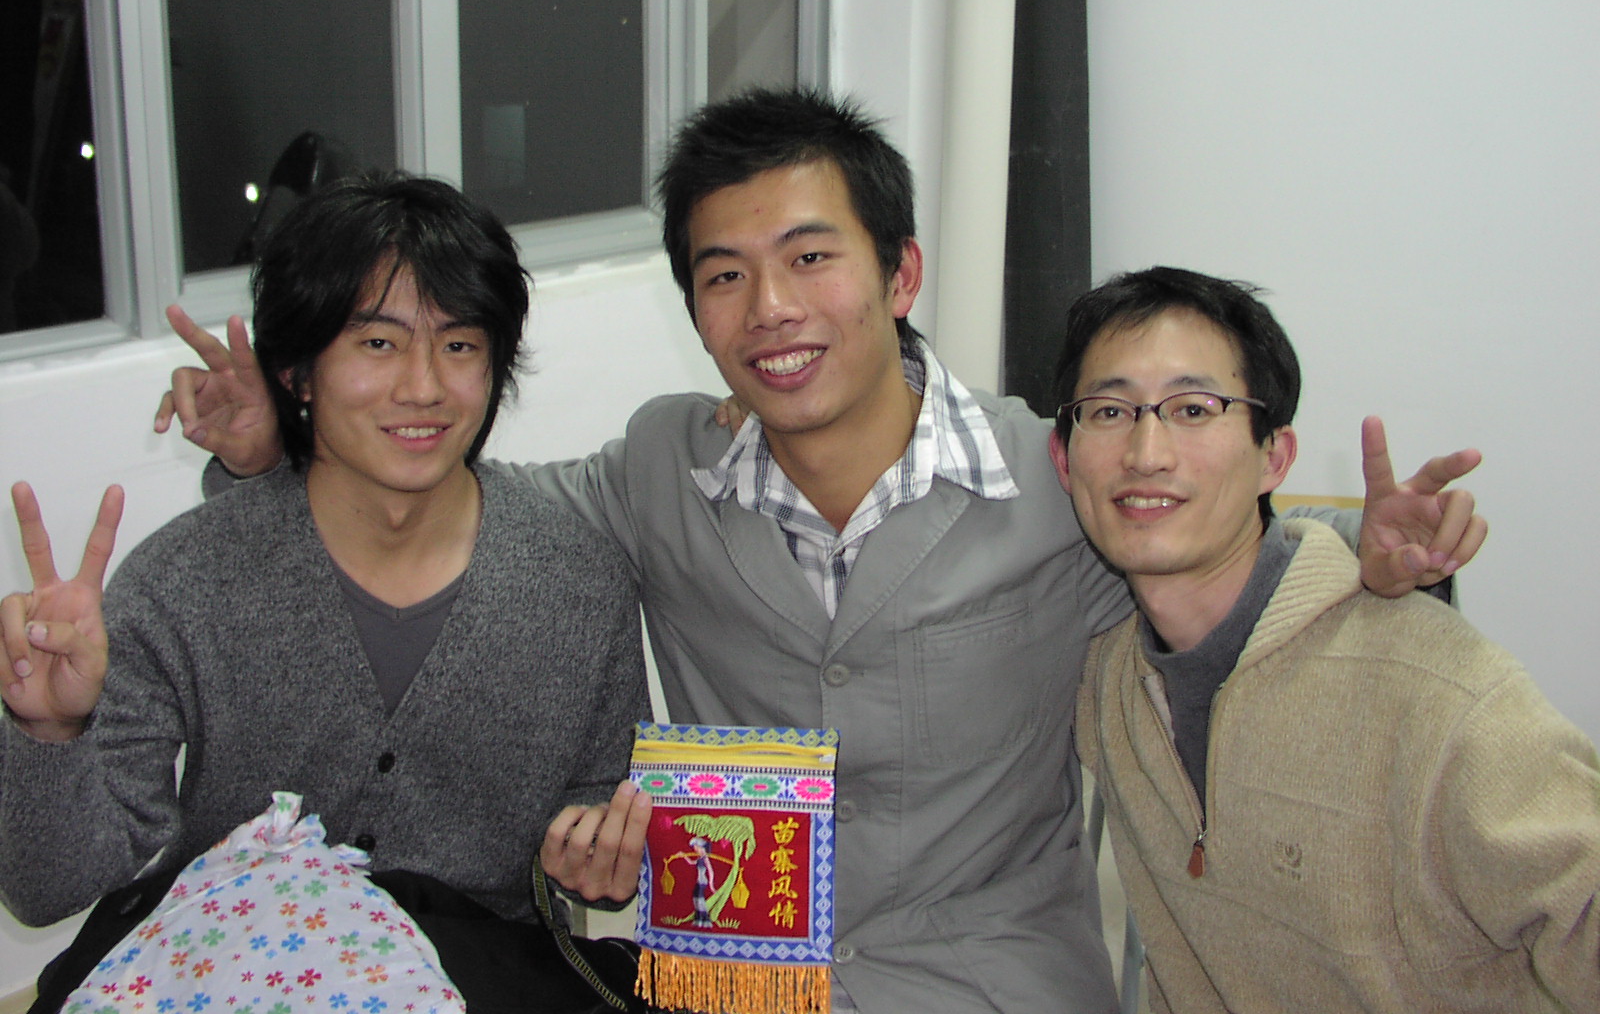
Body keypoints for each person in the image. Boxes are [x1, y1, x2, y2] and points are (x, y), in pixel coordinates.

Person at [156, 90, 1485, 1013]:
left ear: (900, 276)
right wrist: (277, 446)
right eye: (724, 274)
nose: (771, 308)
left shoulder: (1054, 475)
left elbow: (1219, 544)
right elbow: (452, 496)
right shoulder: (660, 469)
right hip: (734, 976)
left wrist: (1373, 560)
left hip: (986, 979)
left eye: (809, 257)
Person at [0, 175, 650, 965]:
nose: (423, 387)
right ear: (297, 374)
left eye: (459, 345)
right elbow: (48, 891)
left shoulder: (579, 584)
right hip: (233, 967)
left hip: (476, 974)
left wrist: (599, 864)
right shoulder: (184, 580)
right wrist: (48, 732)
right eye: (377, 344)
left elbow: (601, 822)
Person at [1051, 265, 1598, 1012]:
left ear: (1274, 457)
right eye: (1110, 411)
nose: (1147, 453)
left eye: (1193, 408)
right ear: (1063, 460)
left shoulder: (1444, 697)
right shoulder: (1108, 681)